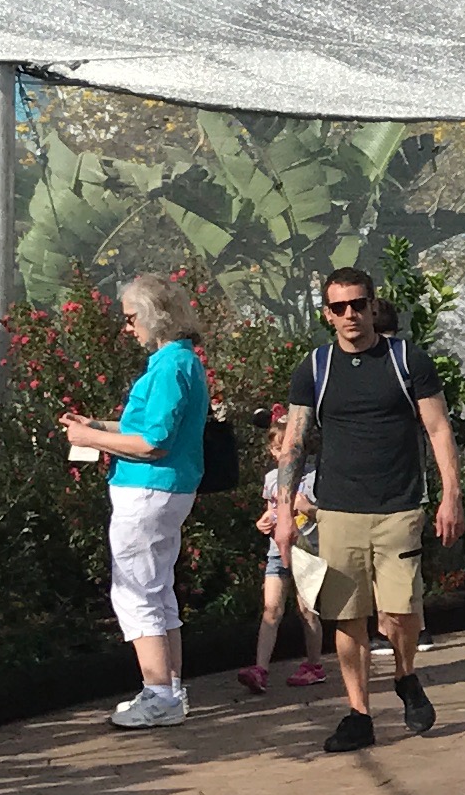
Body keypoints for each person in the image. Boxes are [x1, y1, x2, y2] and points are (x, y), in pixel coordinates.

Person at [271, 267, 464, 755]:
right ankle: (359, 714)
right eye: (339, 308)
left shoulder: (406, 361)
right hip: (336, 511)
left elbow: (439, 429)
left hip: (398, 506)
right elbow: (293, 441)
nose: (350, 315)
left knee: (401, 612)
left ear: (373, 305)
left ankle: (405, 675)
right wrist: (284, 517)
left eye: (358, 304)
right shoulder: (315, 368)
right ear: (326, 315)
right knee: (347, 617)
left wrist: (450, 496)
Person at [60, 273, 211, 730]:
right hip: (168, 489)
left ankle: (159, 693)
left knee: (135, 592)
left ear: (153, 317)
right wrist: (100, 427)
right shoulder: (184, 363)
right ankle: (170, 688)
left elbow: (154, 442)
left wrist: (88, 437)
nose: (128, 329)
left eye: (131, 319)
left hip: (147, 490)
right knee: (158, 589)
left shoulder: (168, 367)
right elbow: (151, 428)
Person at [237, 449, 327, 696]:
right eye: (279, 449)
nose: (284, 454)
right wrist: (264, 522)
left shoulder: (317, 476)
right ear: (272, 450)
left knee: (307, 610)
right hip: (278, 551)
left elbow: (328, 516)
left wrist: (306, 508)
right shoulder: (271, 478)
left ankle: (314, 664)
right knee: (271, 609)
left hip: (308, 551)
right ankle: (260, 669)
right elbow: (272, 512)